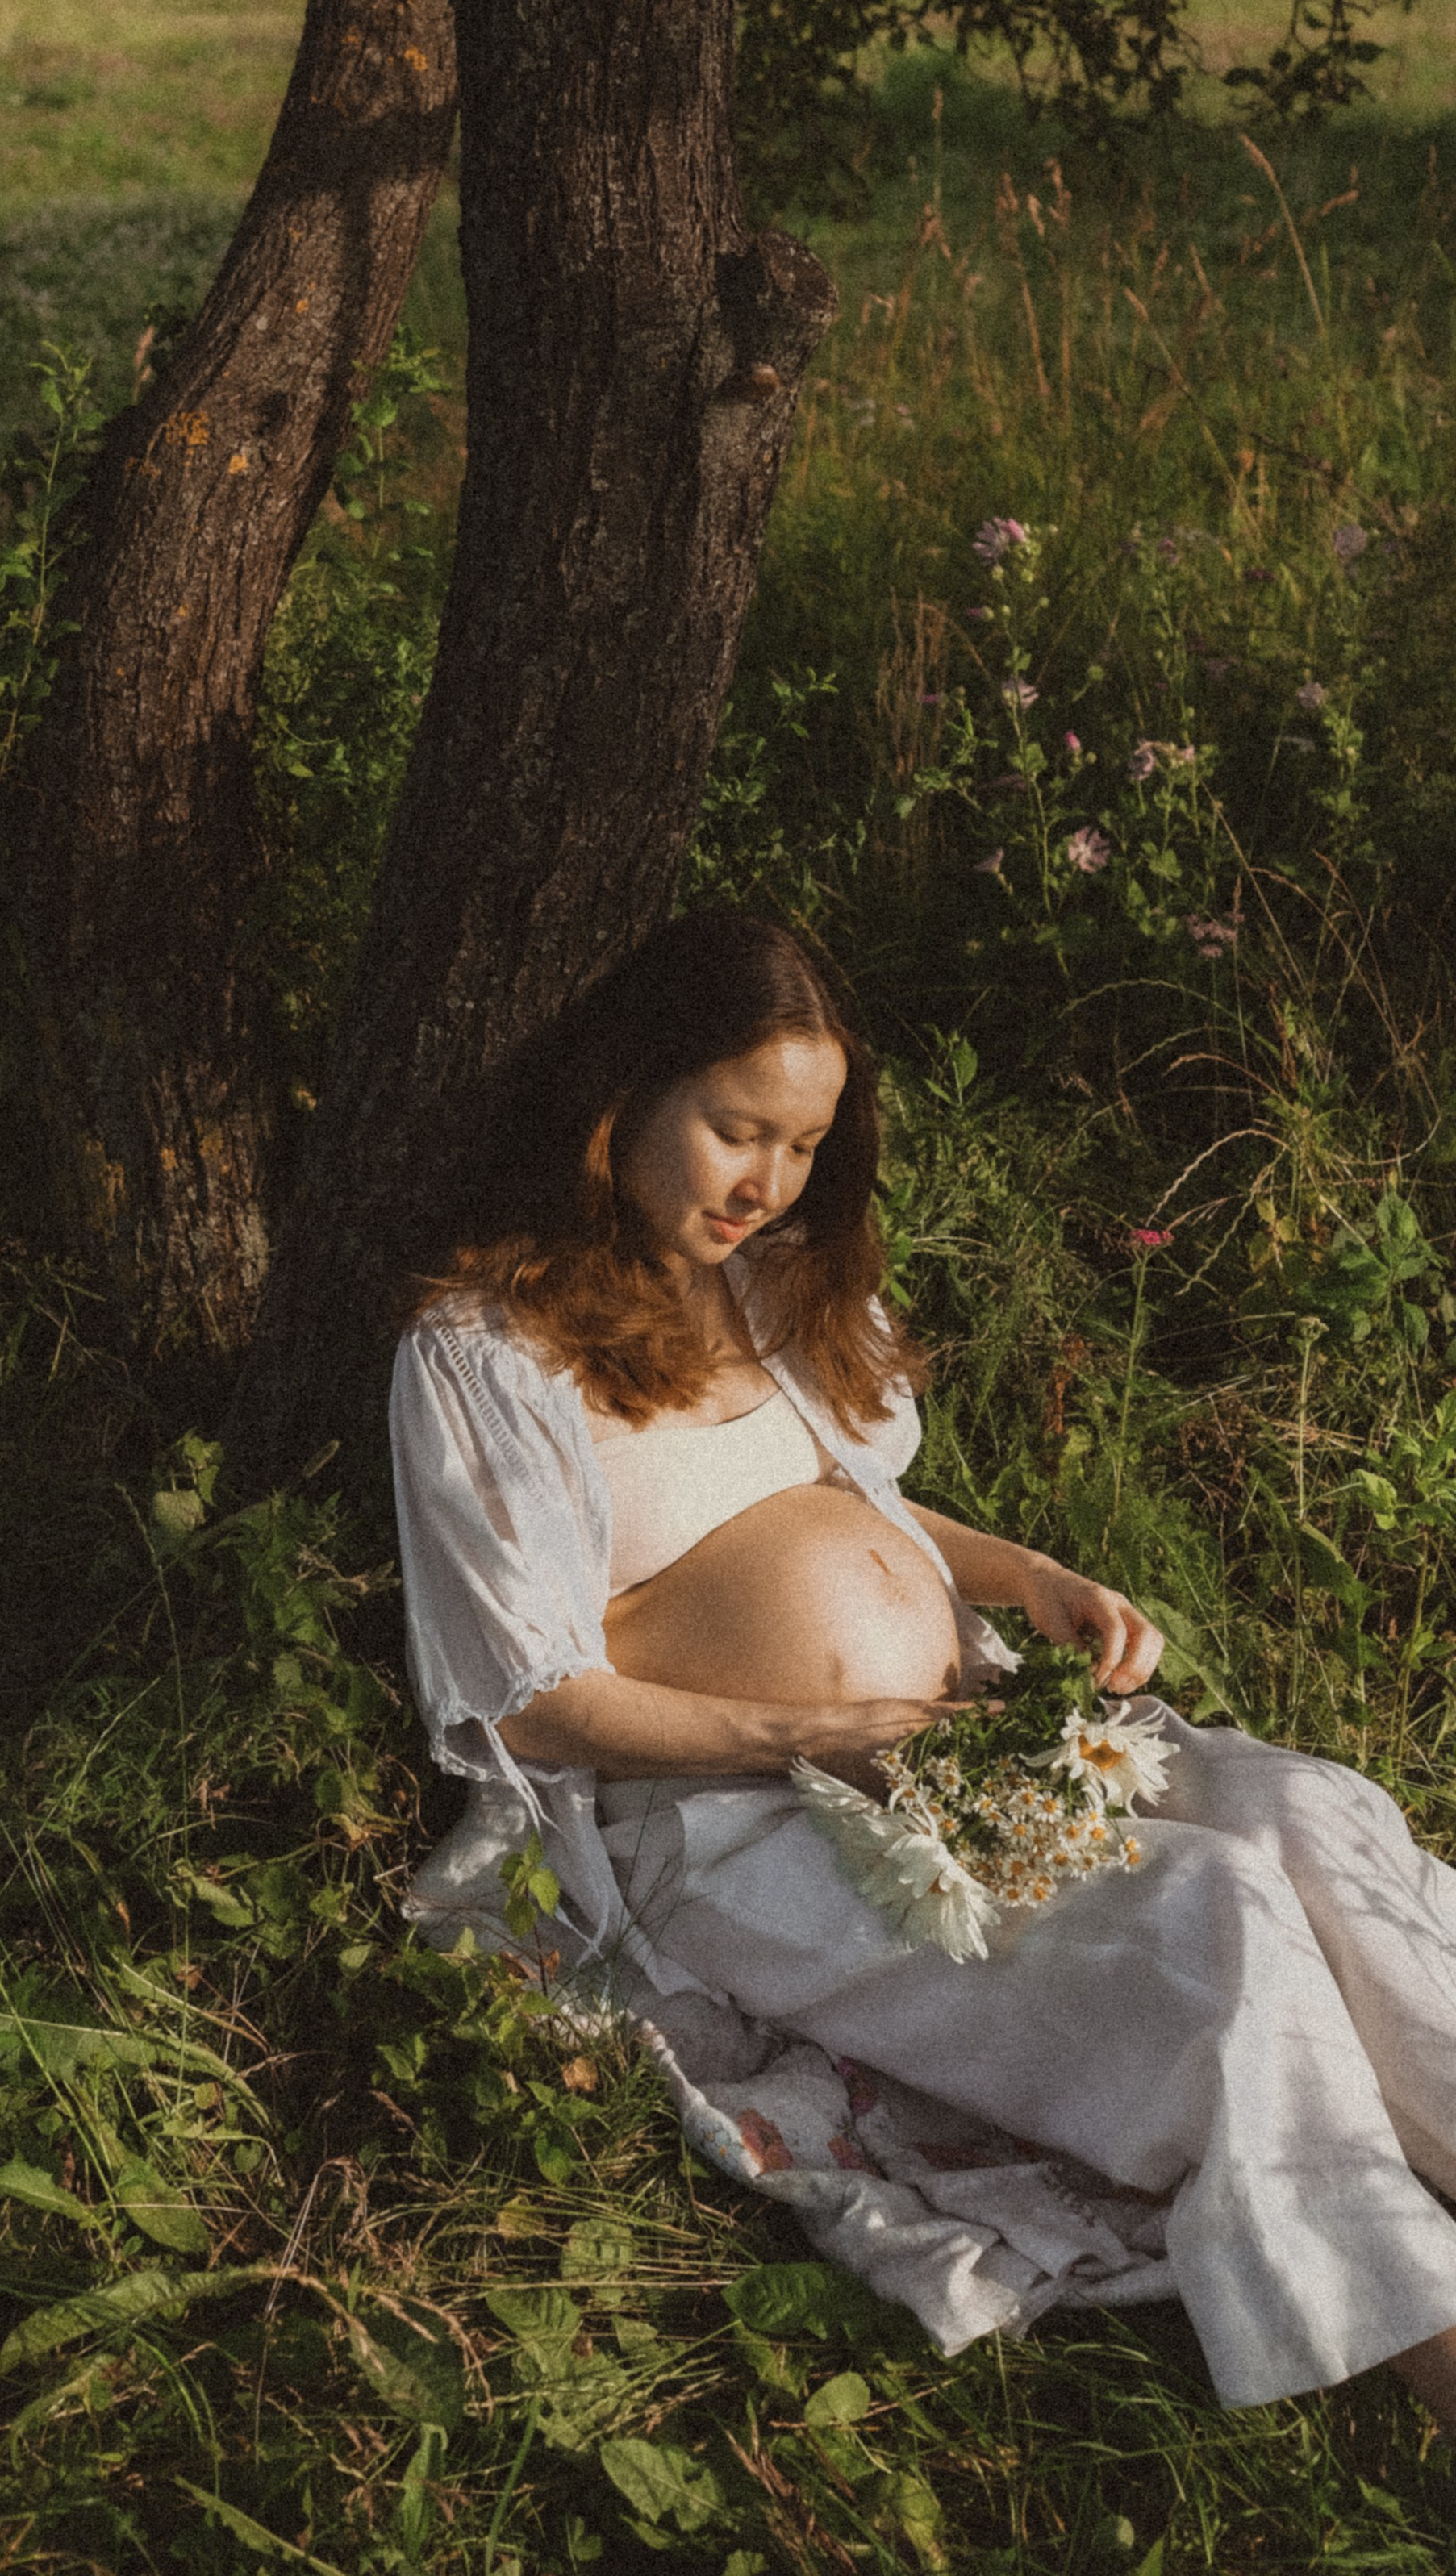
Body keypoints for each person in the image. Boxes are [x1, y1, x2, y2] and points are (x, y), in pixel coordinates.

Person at [389, 907, 1456, 2426]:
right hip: (745, 1824)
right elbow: (528, 1698)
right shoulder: (491, 1350)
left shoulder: (771, 1287)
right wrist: (814, 1731)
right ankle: (1420, 2345)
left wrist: (1028, 1577)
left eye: (804, 1143)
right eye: (734, 1130)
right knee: (1208, 1920)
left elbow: (862, 1508)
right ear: (621, 1097)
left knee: (1306, 1817)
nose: (766, 1183)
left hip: (942, 1740)